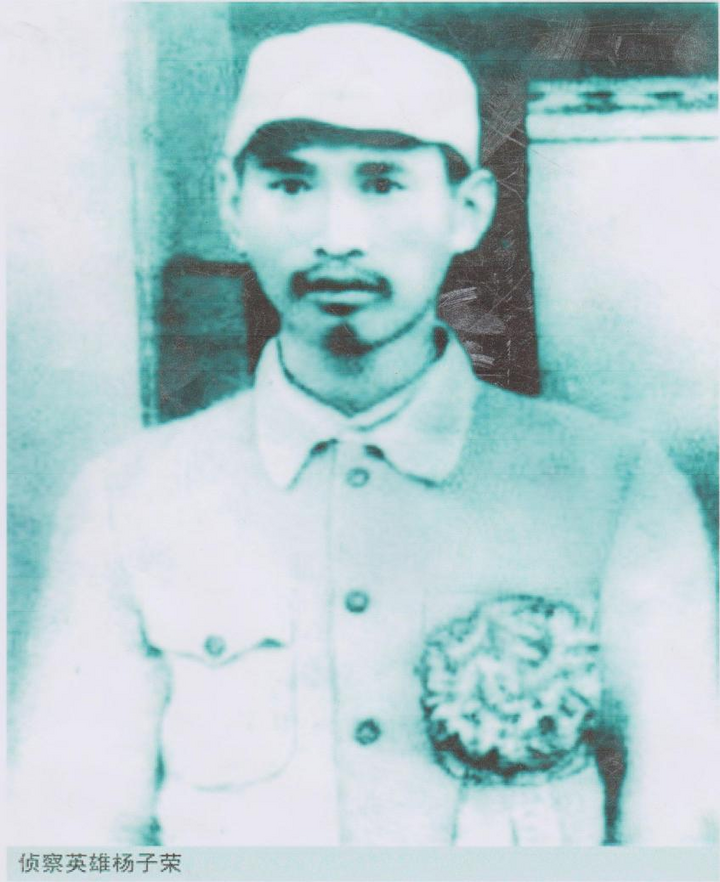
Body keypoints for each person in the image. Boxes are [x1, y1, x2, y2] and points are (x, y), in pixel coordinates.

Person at [10, 22, 717, 847]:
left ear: (467, 211)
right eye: (291, 184)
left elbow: (684, 833)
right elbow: (70, 846)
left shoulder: (616, 490)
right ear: (232, 204)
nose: (337, 235)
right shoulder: (128, 503)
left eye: (383, 184)